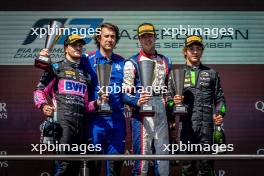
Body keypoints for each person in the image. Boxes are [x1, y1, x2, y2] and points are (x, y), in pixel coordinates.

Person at [33, 34, 104, 176]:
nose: (78, 48)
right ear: (66, 48)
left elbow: (85, 106)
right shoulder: (56, 67)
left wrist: (97, 103)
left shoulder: (85, 74)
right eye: (74, 45)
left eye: (80, 45)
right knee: (64, 166)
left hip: (82, 126)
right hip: (63, 124)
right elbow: (39, 91)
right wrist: (43, 106)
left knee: (77, 167)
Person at [167, 35, 227, 176]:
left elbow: (220, 100)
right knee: (187, 168)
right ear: (185, 52)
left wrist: (219, 114)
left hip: (207, 127)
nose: (195, 52)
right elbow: (168, 103)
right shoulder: (175, 74)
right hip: (186, 128)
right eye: (191, 49)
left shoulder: (212, 73)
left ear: (202, 51)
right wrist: (174, 103)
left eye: (198, 49)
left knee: (207, 167)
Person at [122, 23, 172, 176]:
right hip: (142, 112)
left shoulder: (166, 60)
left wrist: (172, 108)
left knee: (163, 161)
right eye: (143, 36)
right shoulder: (131, 62)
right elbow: (124, 94)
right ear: (139, 39)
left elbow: (168, 90)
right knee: (142, 161)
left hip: (161, 112)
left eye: (150, 36)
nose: (147, 39)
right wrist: (137, 100)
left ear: (155, 37)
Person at [80, 22, 126, 176]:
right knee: (93, 168)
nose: (110, 39)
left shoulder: (123, 62)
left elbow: (128, 91)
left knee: (114, 170)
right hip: (95, 122)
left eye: (113, 37)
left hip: (117, 121)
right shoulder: (86, 60)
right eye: (106, 36)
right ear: (99, 38)